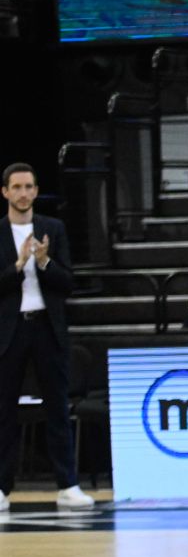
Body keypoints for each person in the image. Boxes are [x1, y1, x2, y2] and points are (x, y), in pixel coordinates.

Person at [0, 162, 88, 513]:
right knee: (4, 413)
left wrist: (45, 261)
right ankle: (2, 489)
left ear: (36, 191)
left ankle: (68, 485)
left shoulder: (54, 228)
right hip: (10, 331)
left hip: (48, 329)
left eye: (29, 187)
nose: (23, 193)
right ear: (5, 192)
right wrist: (19, 266)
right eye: (16, 187)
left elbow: (69, 283)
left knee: (57, 408)